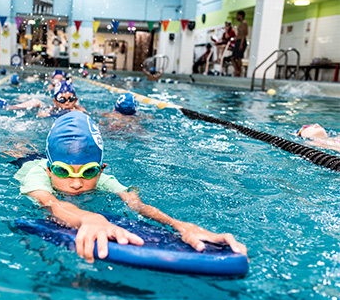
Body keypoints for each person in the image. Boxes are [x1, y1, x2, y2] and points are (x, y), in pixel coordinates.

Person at [14, 111, 247, 263]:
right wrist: (88, 218)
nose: (76, 183)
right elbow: (50, 202)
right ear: (49, 170)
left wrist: (181, 225)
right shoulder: (38, 174)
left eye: (89, 172)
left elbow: (137, 204)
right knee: (18, 151)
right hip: (27, 160)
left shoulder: (104, 180)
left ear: (101, 169)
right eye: (63, 172)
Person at [231, 11, 248, 77]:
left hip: (241, 41)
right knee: (233, 58)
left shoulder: (244, 23)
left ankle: (238, 71)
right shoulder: (241, 23)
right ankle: (237, 70)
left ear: (241, 15)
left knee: (238, 58)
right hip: (238, 41)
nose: (236, 17)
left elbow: (244, 34)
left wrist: (241, 44)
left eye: (237, 15)